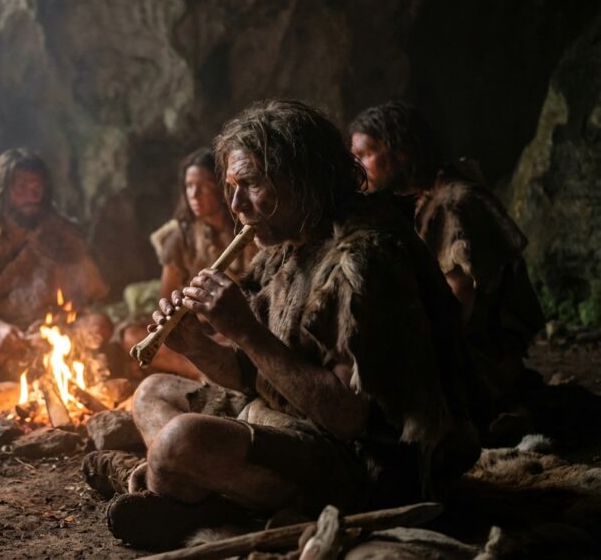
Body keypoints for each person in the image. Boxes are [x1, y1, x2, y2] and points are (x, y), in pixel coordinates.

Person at [88, 100, 480, 551]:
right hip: (291, 419)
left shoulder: (366, 259)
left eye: (250, 185)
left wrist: (245, 331)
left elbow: (348, 418)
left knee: (180, 439)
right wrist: (196, 345)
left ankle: (182, 491)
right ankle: (190, 490)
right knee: (153, 392)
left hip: (368, 465)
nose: (236, 205)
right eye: (232, 187)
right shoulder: (285, 245)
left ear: (303, 178)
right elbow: (253, 375)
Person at [349, 102, 547, 438]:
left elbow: (457, 306)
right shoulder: (422, 200)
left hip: (480, 358)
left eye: (366, 153)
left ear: (401, 154)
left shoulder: (454, 202)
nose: (359, 165)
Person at [0, 148, 112, 386]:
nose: (32, 195)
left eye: (37, 187)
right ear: (2, 190)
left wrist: (56, 321)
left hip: (46, 330)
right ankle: (18, 366)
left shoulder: (58, 229)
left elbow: (83, 290)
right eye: (22, 186)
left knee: (99, 324)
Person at [120, 148, 257, 381]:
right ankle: (204, 373)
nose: (194, 194)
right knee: (132, 336)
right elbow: (165, 298)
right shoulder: (179, 238)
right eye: (189, 186)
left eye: (203, 186)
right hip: (198, 330)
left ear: (222, 186)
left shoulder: (247, 227)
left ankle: (222, 371)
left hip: (239, 325)